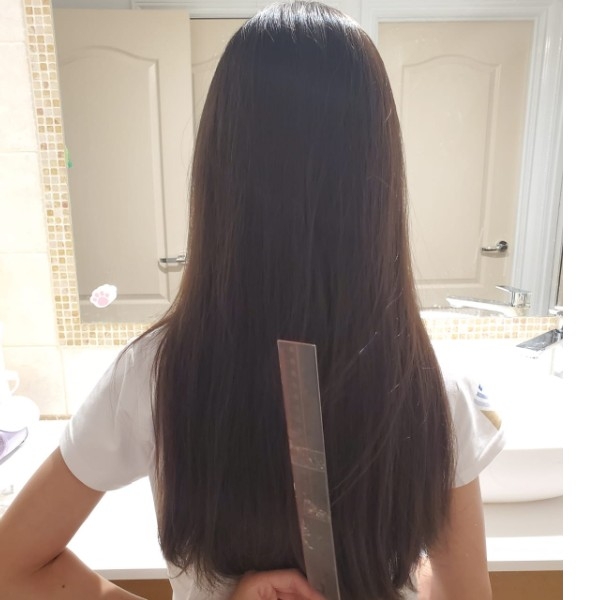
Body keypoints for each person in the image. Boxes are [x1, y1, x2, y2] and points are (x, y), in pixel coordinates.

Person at [0, 2, 504, 599]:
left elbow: (13, 566)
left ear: (221, 172)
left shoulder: (153, 377)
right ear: (379, 179)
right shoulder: (434, 391)